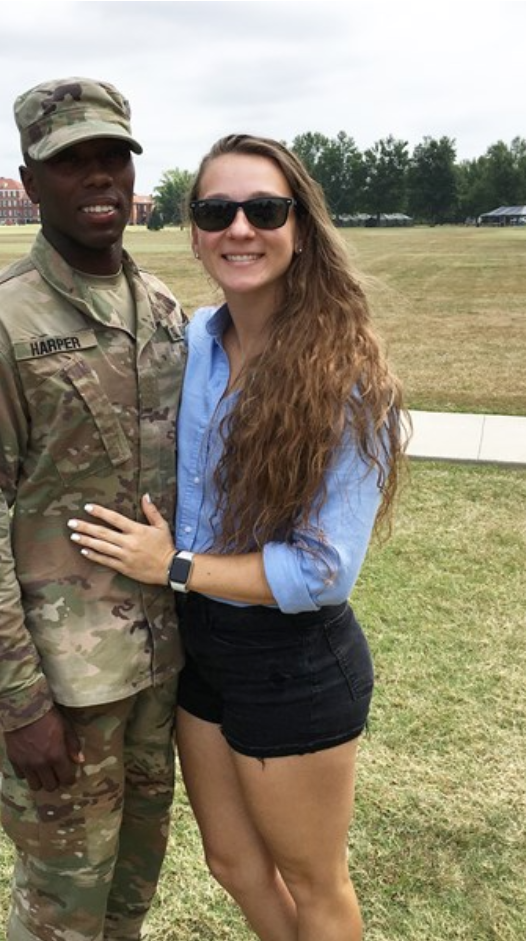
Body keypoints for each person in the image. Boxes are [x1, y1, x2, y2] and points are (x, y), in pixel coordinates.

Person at [66, 133, 408, 941]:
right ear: (193, 230)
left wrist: (172, 565)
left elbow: (323, 570)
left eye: (264, 209)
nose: (239, 228)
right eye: (216, 211)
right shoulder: (193, 344)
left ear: (300, 227)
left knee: (312, 879)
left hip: (292, 659)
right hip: (203, 647)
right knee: (232, 863)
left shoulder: (349, 377)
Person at [0, 77, 187, 941]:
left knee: (128, 896)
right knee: (60, 910)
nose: (98, 178)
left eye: (112, 157)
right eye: (72, 162)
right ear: (31, 182)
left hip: (159, 668)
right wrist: (18, 703)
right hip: (64, 688)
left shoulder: (167, 314)